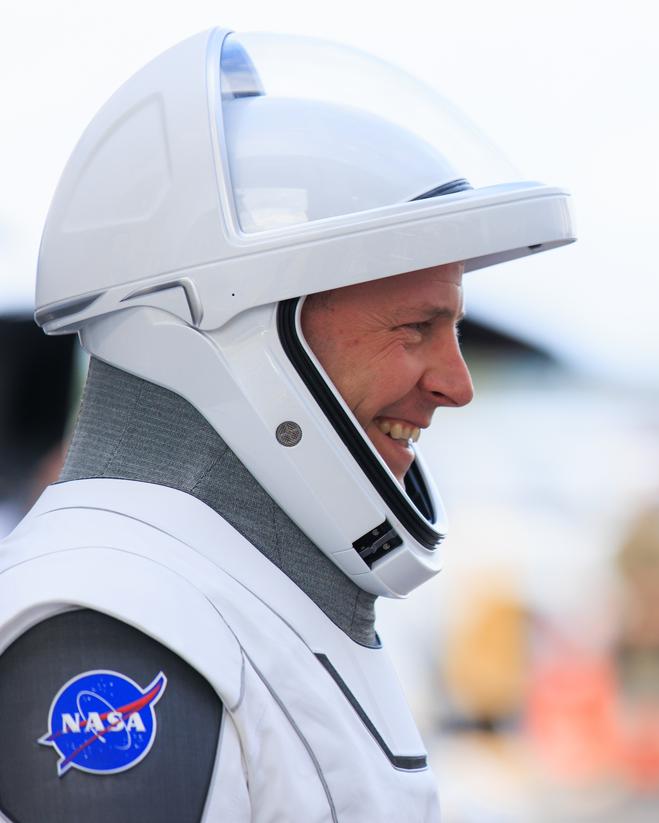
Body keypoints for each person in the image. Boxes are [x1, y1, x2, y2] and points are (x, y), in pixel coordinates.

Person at [0, 28, 574, 823]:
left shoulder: (216, 593)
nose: (456, 384)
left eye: (455, 332)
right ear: (241, 336)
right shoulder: (113, 620)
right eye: (415, 329)